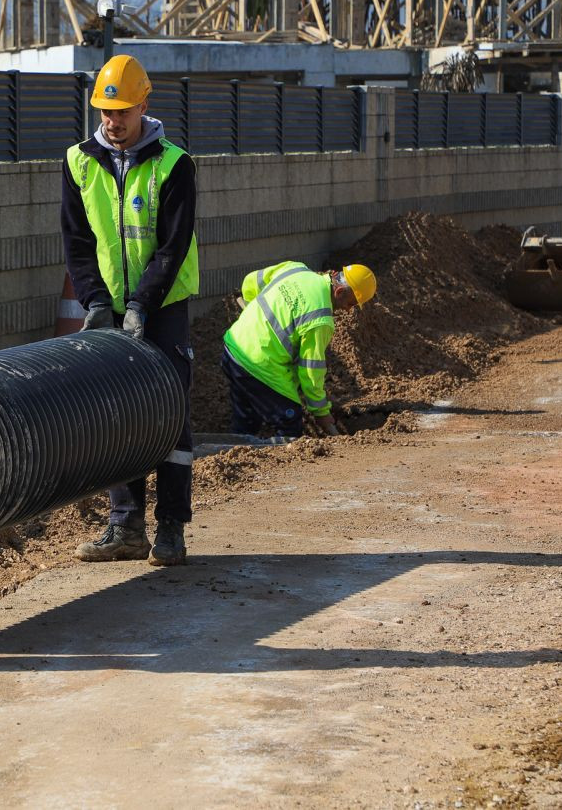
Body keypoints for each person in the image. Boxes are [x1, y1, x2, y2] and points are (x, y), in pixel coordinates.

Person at [61, 54, 199, 567]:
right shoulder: (78, 161)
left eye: (121, 112)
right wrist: (96, 300)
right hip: (108, 309)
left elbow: (172, 245)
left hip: (162, 308)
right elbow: (77, 242)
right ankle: (126, 527)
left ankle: (170, 529)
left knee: (169, 414)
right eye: (105, 112)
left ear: (144, 104)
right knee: (116, 419)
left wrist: (142, 302)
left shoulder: (173, 164)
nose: (112, 122)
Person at [221, 262, 376, 439]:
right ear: (339, 291)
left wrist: (252, 311)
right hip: (260, 366)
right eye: (350, 303)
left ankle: (234, 453)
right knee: (290, 422)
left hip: (233, 348)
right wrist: (321, 413)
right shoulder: (320, 319)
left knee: (246, 421)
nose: (348, 310)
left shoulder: (296, 269)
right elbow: (311, 370)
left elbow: (251, 281)